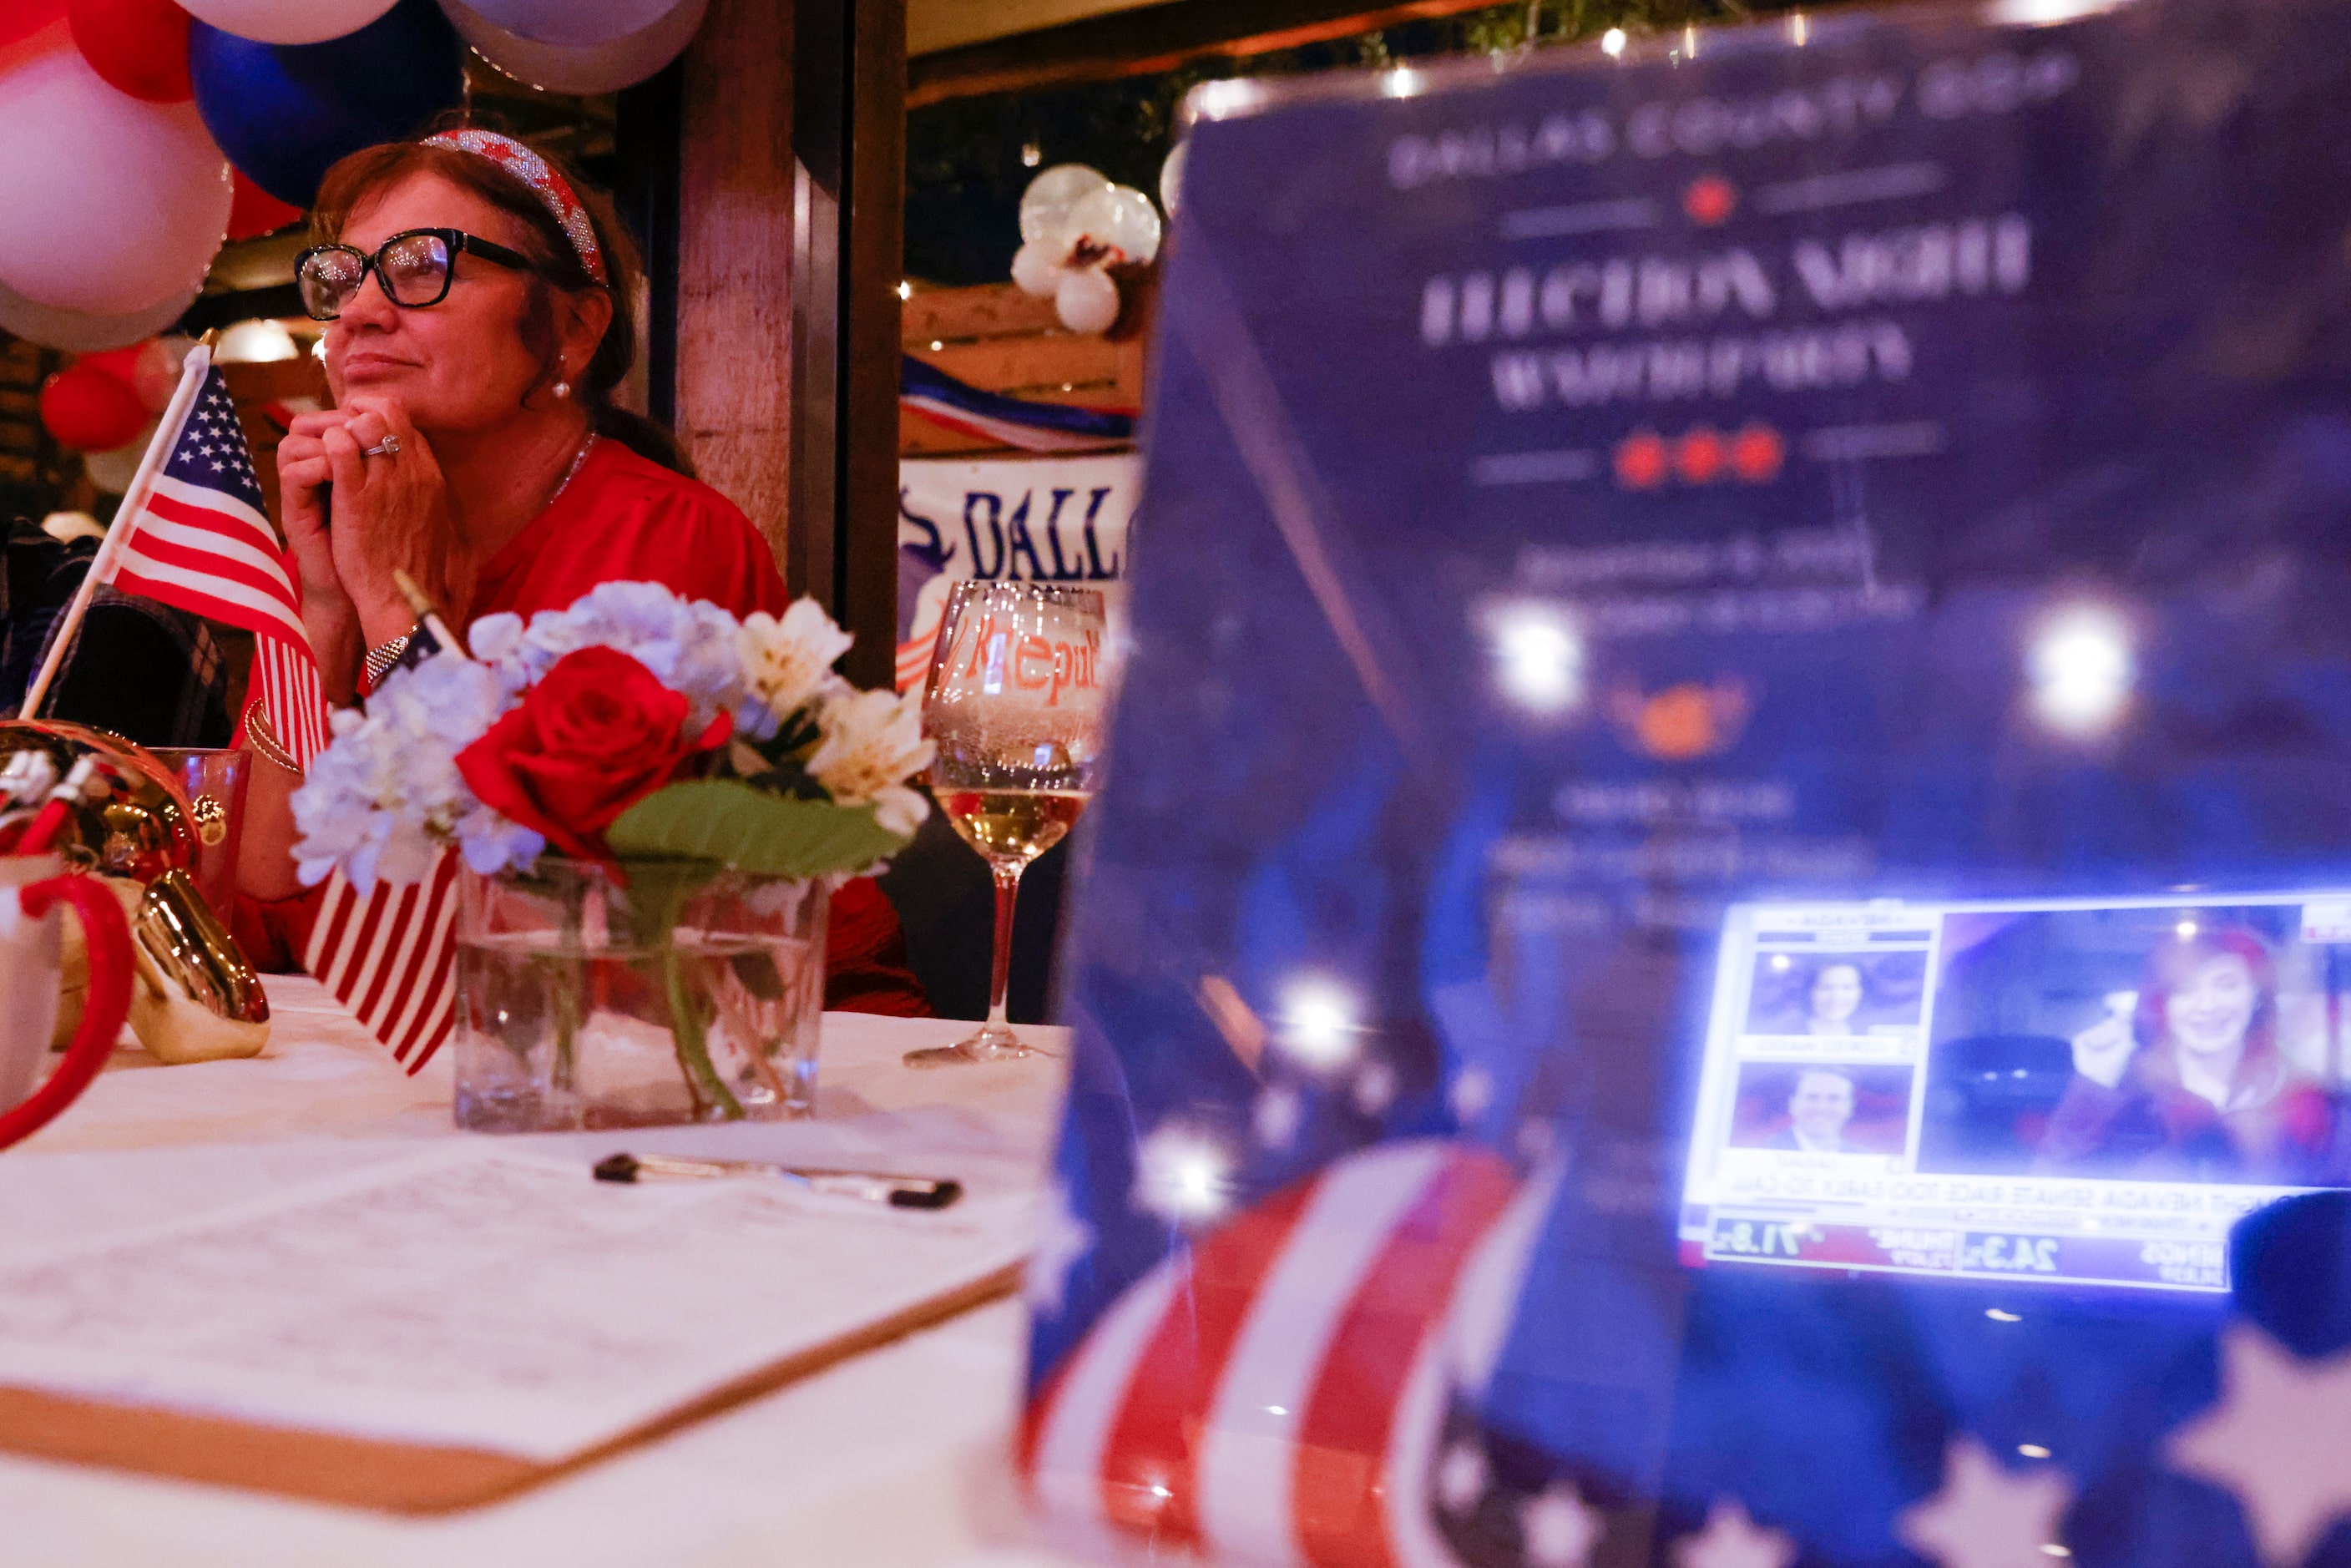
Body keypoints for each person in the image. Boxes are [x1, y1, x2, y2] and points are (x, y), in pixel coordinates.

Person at [230, 125, 927, 1015]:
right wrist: (325, 607)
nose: (359, 313)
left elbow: (557, 937)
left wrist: (392, 619)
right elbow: (262, 904)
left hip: (731, 1061)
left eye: (418, 267)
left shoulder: (666, 547)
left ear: (573, 326)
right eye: (342, 278)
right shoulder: (347, 535)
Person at [2036, 926, 2334, 1180]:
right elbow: (2048, 1191)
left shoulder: (2305, 1096)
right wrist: (2092, 1086)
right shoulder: (2125, 1097)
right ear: (2161, 1004)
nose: (2206, 1005)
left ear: (2256, 994)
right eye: (2183, 989)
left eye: (2226, 984)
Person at [1770, 1068, 1857, 1153]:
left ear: (1850, 1107)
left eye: (1833, 1098)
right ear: (1792, 1104)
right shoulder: (1766, 1150)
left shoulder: (1861, 1157)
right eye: (1812, 1097)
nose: (1821, 1108)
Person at [1802, 960, 1865, 1038]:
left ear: (1861, 992)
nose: (1836, 997)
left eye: (1847, 987)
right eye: (1826, 988)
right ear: (1811, 992)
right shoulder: (1789, 1030)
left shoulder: (1870, 1033)